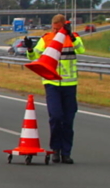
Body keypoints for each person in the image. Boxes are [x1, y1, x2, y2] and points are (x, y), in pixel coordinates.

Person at [25, 14, 85, 164]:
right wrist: (30, 48)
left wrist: (71, 36)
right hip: (51, 83)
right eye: (54, 28)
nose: (56, 31)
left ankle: (66, 153)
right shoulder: (46, 38)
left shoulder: (73, 38)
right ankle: (55, 150)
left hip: (69, 84)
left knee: (68, 120)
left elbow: (81, 50)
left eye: (58, 29)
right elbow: (33, 57)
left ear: (64, 26)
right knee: (56, 117)